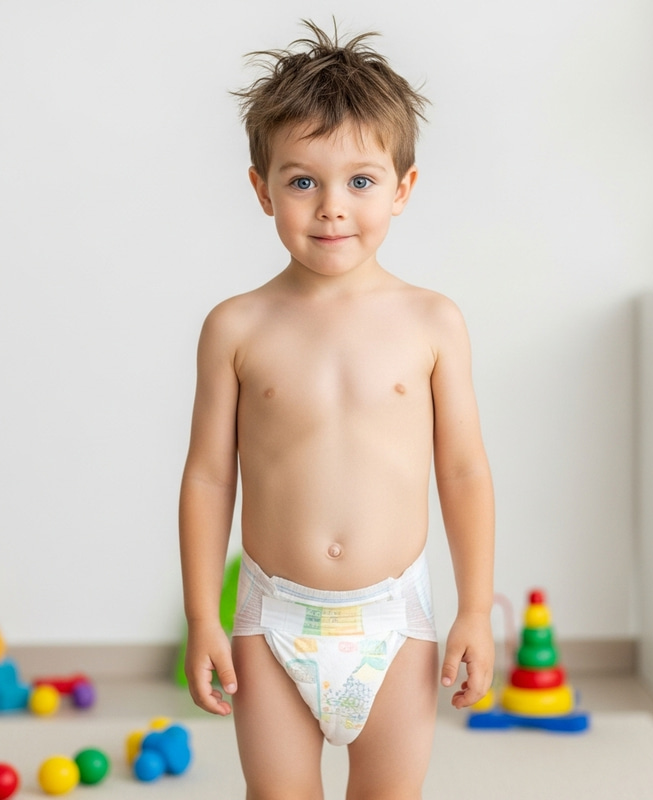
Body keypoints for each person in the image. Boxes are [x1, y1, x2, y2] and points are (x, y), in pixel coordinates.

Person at [179, 20, 495, 800]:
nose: (331, 209)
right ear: (262, 190)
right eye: (301, 181)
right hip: (270, 619)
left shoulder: (433, 322)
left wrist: (475, 609)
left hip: (395, 621)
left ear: (403, 188)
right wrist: (202, 619)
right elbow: (210, 479)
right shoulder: (236, 327)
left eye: (360, 181)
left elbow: (461, 472)